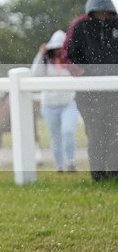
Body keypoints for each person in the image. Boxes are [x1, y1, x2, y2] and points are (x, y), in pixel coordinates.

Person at [64, 0, 118, 181]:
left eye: (105, 12)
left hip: (114, 92)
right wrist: (82, 74)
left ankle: (114, 173)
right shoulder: (79, 26)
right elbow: (68, 55)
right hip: (89, 94)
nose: (102, 16)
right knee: (95, 133)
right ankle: (98, 175)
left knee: (115, 133)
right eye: (98, 12)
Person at [30, 30, 79, 173]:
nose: (58, 50)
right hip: (49, 106)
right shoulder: (45, 61)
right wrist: (40, 54)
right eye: (56, 48)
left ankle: (70, 162)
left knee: (68, 131)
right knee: (55, 137)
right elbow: (34, 74)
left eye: (61, 47)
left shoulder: (70, 61)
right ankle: (59, 166)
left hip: (68, 103)